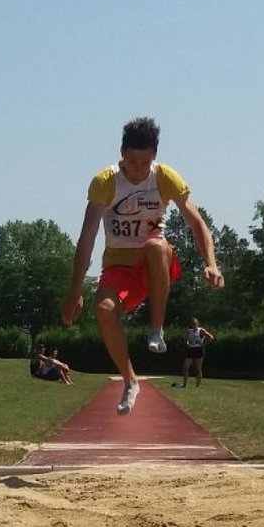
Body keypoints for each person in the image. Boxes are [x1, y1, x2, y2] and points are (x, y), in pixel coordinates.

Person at [62, 117, 223, 415]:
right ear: (121, 154)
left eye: (144, 163)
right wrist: (75, 290)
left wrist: (211, 263)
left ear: (154, 157)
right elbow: (87, 237)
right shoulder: (105, 182)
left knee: (154, 245)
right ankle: (130, 380)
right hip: (119, 267)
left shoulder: (165, 178)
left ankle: (155, 329)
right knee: (104, 310)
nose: (137, 169)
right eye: (132, 162)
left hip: (156, 264)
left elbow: (197, 222)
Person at [174, 318, 215, 388]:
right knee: (185, 367)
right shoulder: (189, 331)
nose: (194, 325)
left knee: (198, 368)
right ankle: (184, 384)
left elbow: (211, 337)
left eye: (195, 324)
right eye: (192, 324)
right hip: (191, 350)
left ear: (198, 324)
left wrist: (203, 344)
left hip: (199, 350)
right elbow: (186, 340)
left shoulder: (201, 330)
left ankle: (197, 386)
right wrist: (187, 343)